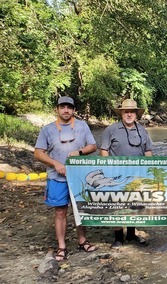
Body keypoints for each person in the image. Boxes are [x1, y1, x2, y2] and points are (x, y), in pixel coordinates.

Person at [34, 96, 98, 261]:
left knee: (80, 209)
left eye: (69, 107)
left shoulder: (82, 126)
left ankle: (82, 241)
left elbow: (93, 146)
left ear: (73, 110)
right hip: (57, 177)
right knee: (60, 211)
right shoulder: (47, 129)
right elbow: (38, 153)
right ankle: (61, 246)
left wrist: (80, 152)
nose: (66, 110)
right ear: (57, 109)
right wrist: (54, 163)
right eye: (62, 107)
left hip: (79, 177)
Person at [100, 99, 153, 248]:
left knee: (134, 203)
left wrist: (150, 170)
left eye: (132, 112)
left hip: (137, 174)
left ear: (136, 114)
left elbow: (148, 151)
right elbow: (104, 150)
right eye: (126, 112)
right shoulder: (111, 130)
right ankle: (118, 237)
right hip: (116, 175)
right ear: (121, 114)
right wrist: (108, 169)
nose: (129, 114)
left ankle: (131, 234)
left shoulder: (142, 130)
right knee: (116, 205)